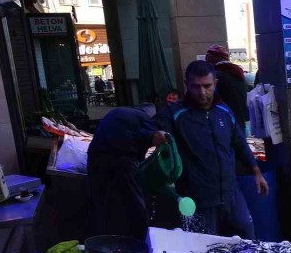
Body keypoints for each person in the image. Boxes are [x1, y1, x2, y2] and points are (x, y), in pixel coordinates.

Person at [145, 60, 269, 239]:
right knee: (206, 248)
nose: (202, 92)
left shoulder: (224, 111)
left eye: (207, 86)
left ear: (215, 84)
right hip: (198, 200)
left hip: (231, 195)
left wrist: (256, 172)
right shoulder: (175, 113)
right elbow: (147, 128)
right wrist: (154, 135)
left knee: (246, 236)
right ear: (187, 85)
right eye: (196, 86)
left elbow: (240, 144)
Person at [88, 102, 158, 240]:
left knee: (97, 201)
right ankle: (141, 239)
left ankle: (97, 240)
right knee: (136, 202)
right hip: (124, 157)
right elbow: (142, 151)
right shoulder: (148, 120)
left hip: (95, 155)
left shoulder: (119, 111)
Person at [205, 44, 249, 126]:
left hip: (224, 120)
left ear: (213, 58)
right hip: (241, 118)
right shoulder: (237, 73)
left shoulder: (215, 75)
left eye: (208, 57)